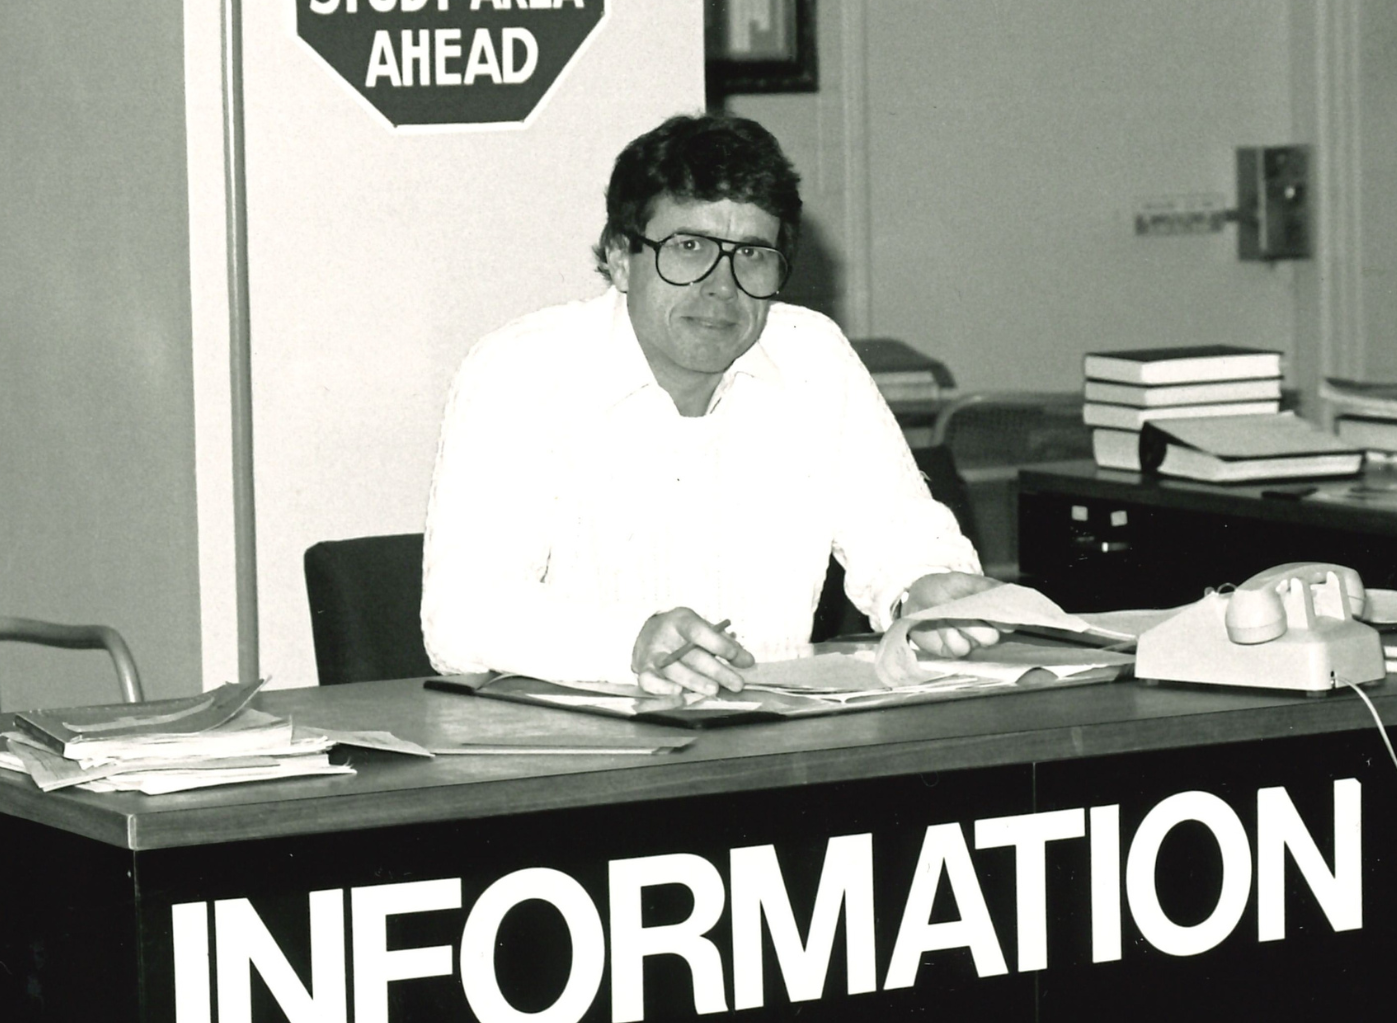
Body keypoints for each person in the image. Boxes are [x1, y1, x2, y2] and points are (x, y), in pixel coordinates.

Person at [421, 111, 1003, 697]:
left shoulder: (812, 355)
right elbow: (462, 616)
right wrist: (630, 643)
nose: (721, 286)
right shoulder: (522, 370)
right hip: (577, 756)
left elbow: (898, 536)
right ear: (621, 256)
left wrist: (923, 588)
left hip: (773, 749)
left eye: (751, 254)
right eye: (689, 246)